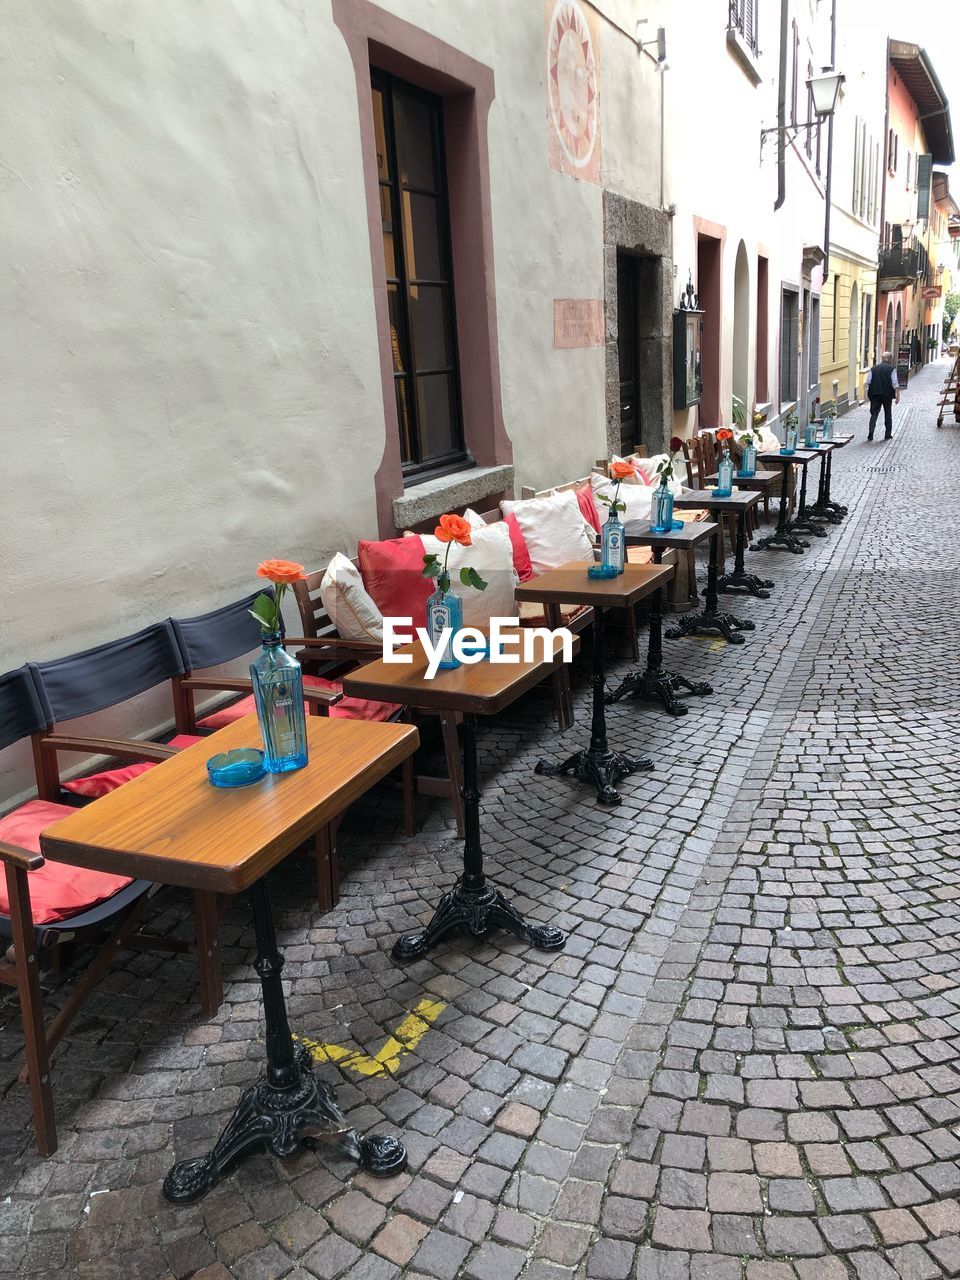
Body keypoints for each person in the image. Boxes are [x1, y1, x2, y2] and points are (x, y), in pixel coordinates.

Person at [864, 352, 900, 441]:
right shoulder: (892, 368)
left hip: (875, 393)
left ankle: (870, 434)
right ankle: (888, 434)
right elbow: (895, 383)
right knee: (888, 413)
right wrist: (897, 395)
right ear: (890, 359)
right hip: (887, 394)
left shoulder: (873, 369)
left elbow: (868, 381)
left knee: (874, 414)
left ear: (882, 359)